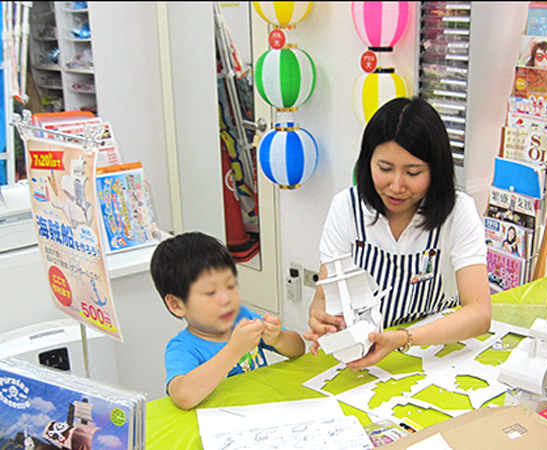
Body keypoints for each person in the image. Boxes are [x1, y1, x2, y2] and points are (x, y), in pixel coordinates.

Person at [304, 97, 491, 371]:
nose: (396, 186)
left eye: (413, 172)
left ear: (435, 170)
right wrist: (322, 320)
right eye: (385, 169)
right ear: (368, 162)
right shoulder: (346, 208)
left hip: (434, 351)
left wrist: (404, 339)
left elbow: (479, 314)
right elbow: (323, 300)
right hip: (365, 353)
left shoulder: (457, 212)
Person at [151, 231, 305, 410]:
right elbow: (183, 396)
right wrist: (234, 350)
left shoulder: (242, 318)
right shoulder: (182, 348)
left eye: (229, 286)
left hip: (262, 411)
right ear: (177, 305)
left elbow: (299, 349)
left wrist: (279, 339)